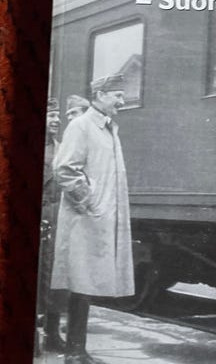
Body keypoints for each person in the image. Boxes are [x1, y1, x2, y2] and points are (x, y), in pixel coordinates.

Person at [51, 74, 134, 364]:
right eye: (117, 95)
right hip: (85, 219)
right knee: (81, 284)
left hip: (97, 218)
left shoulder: (108, 128)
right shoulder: (82, 125)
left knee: (84, 286)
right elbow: (64, 169)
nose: (122, 101)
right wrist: (90, 200)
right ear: (100, 95)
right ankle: (74, 353)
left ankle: (77, 351)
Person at [36, 97, 66, 354]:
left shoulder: (63, 148)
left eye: (58, 116)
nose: (57, 120)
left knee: (55, 277)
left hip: (58, 221)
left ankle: (53, 333)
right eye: (51, 115)